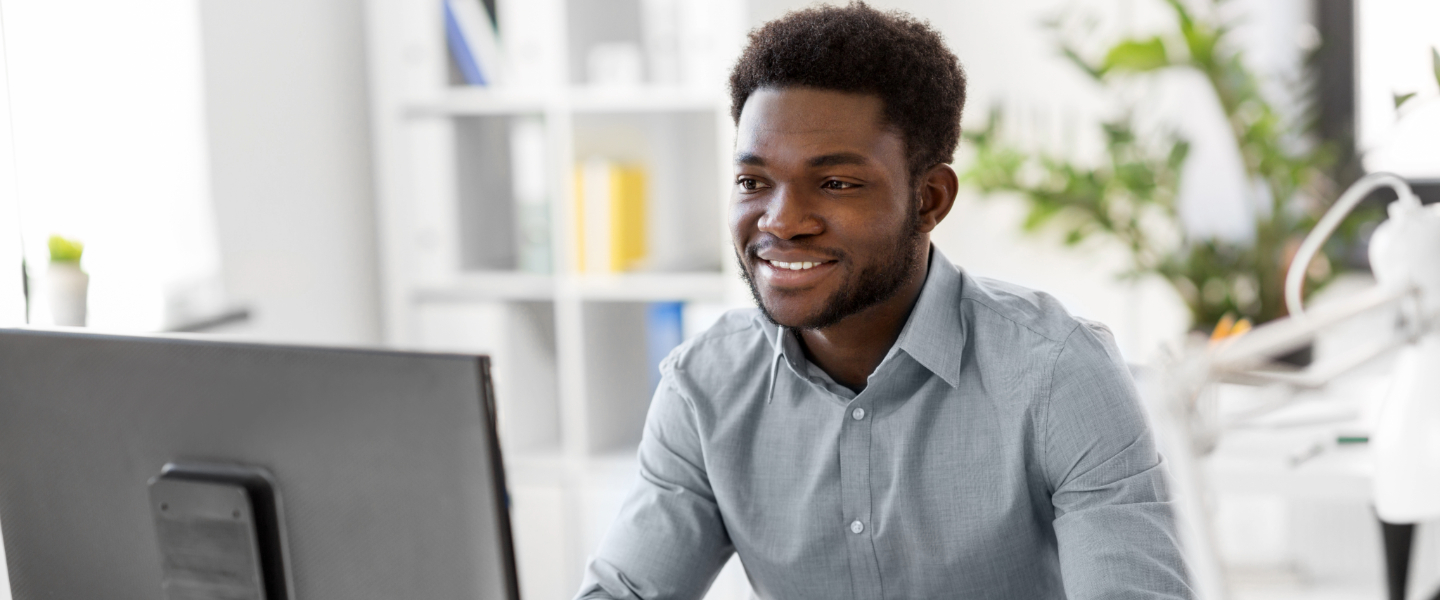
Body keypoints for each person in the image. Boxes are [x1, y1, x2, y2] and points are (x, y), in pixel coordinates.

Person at [576, 3, 1192, 598]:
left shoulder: (1060, 374)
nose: (781, 222)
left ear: (929, 199)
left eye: (836, 183)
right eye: (752, 182)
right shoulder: (704, 388)